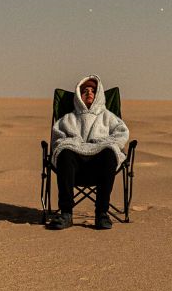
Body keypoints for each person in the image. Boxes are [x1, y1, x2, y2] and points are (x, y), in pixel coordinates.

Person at [46, 74, 129, 230]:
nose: (89, 93)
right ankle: (66, 213)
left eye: (93, 90)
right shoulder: (68, 118)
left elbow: (121, 135)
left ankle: (102, 213)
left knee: (110, 153)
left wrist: (102, 144)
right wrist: (76, 144)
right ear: (79, 96)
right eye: (85, 91)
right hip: (73, 167)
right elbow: (58, 139)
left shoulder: (108, 117)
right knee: (64, 152)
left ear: (99, 95)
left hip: (100, 165)